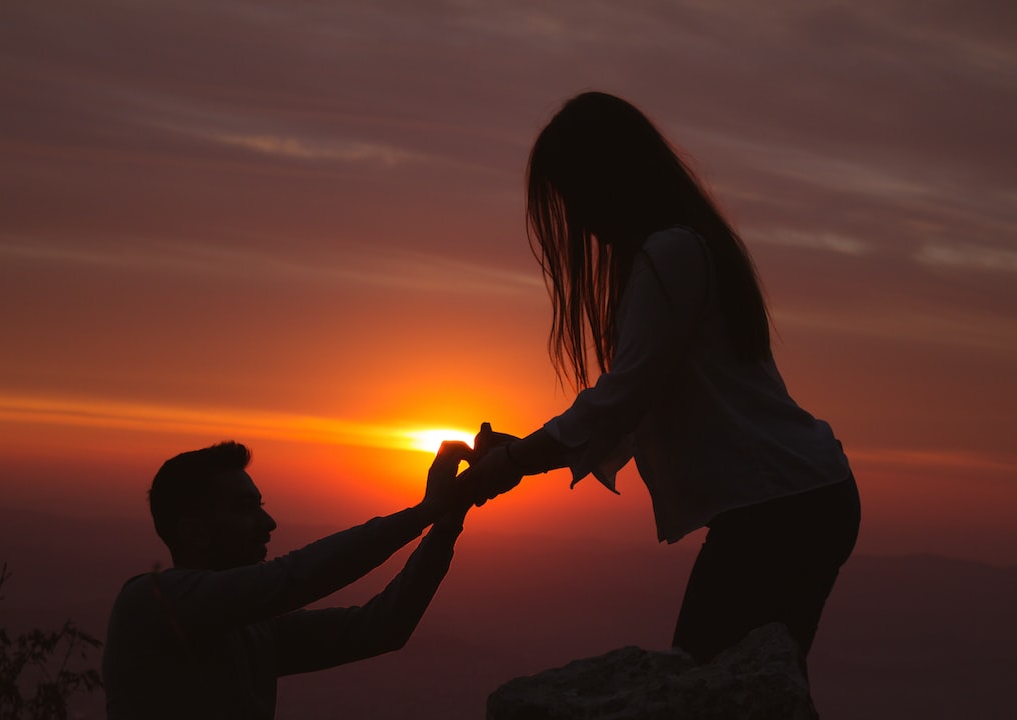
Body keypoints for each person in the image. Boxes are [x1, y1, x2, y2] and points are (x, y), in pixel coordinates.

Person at [467, 91, 861, 665]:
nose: (575, 216)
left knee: (709, 685)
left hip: (782, 507)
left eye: (575, 192)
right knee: (750, 687)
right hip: (799, 497)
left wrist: (512, 464)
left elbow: (622, 400)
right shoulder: (685, 246)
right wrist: (524, 452)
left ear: (610, 176)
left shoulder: (669, 253)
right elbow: (640, 400)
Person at [102, 439, 474, 719]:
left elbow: (382, 626)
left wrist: (447, 520)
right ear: (194, 532)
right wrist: (425, 511)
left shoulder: (253, 632)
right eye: (246, 508)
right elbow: (292, 578)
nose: (269, 524)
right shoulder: (152, 602)